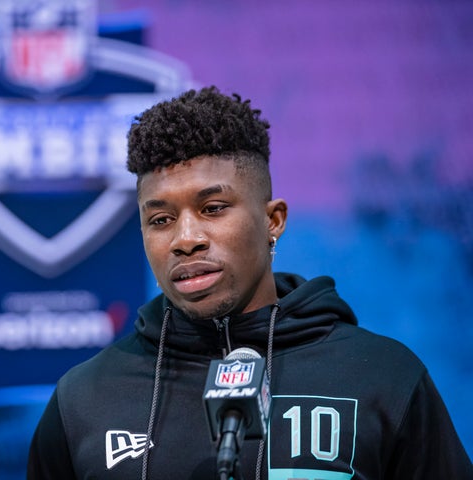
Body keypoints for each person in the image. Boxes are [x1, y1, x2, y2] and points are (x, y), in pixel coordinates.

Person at [27, 86, 473, 479]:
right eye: (161, 219)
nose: (186, 240)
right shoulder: (83, 399)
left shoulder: (385, 377)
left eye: (213, 208)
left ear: (272, 220)